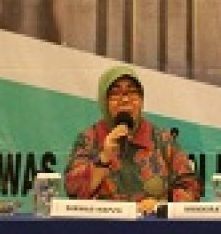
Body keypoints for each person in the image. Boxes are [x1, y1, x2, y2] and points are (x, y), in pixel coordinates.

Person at [64, 65, 199, 215]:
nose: (125, 99)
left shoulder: (163, 140)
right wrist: (104, 158)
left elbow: (191, 189)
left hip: (152, 225)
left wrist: (161, 204)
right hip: (104, 226)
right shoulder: (89, 139)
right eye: (115, 93)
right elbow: (72, 191)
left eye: (133, 92)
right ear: (104, 101)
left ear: (141, 100)